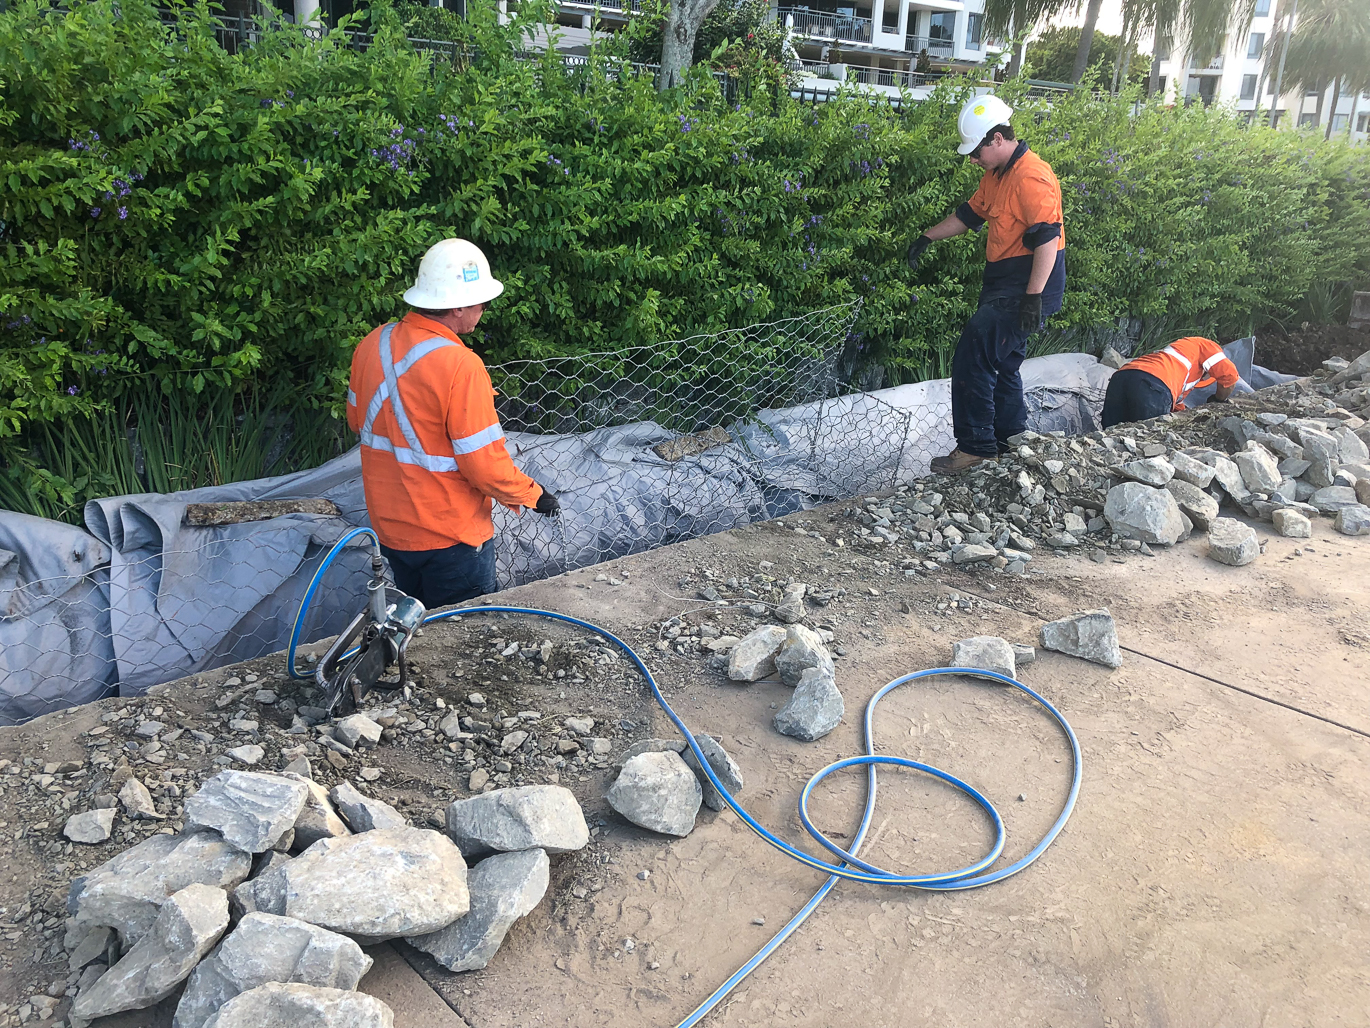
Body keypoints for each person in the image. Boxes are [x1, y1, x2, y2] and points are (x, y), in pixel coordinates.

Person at [346, 238, 559, 608]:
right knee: (463, 639)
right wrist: (533, 495)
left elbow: (356, 420)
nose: (483, 309)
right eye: (481, 301)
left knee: (414, 628)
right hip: (451, 538)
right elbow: (485, 466)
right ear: (458, 306)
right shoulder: (461, 366)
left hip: (392, 531)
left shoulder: (372, 344)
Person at [907, 94, 1067, 474]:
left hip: (1025, 286)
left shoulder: (1032, 177)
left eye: (976, 151)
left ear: (997, 139)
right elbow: (969, 215)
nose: (973, 159)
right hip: (1005, 283)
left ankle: (975, 447)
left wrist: (1033, 298)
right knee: (1004, 364)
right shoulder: (996, 175)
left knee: (973, 356)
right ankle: (1011, 439)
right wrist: (927, 237)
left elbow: (1046, 239)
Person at [1101, 337, 1239, 428]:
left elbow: (1177, 407)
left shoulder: (1176, 366)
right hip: (1153, 383)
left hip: (1121, 377)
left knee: (1109, 435)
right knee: (1148, 436)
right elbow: (1229, 377)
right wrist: (1218, 399)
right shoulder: (1205, 346)